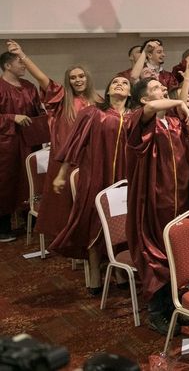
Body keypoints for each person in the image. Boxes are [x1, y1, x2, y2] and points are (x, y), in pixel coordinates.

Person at [5, 42, 98, 247]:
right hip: (66, 159)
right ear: (68, 81)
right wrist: (22, 55)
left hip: (90, 159)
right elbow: (42, 78)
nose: (78, 80)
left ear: (87, 78)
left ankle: (88, 236)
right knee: (65, 204)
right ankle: (69, 240)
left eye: (81, 76)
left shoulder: (96, 100)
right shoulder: (62, 98)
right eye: (73, 77)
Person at [49, 75, 133, 293]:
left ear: (131, 93)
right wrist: (62, 174)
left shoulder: (135, 116)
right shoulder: (93, 113)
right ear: (107, 91)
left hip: (125, 177)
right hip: (97, 175)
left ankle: (119, 270)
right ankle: (95, 273)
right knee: (94, 222)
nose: (119, 84)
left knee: (122, 221)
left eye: (125, 83)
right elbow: (75, 143)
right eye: (115, 82)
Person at [126, 76, 189, 335]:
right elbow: (152, 108)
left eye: (163, 87)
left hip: (178, 196)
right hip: (152, 198)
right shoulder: (138, 119)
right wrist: (179, 101)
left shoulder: (173, 122)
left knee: (177, 250)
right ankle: (157, 312)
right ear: (144, 98)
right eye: (156, 88)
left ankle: (176, 306)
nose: (163, 89)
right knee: (155, 253)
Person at [0, 46, 43, 242]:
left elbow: (38, 111)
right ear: (7, 65)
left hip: (29, 143)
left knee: (30, 180)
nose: (24, 65)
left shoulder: (29, 86)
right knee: (6, 182)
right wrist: (12, 117)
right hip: (6, 144)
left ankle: (31, 220)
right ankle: (3, 226)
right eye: (20, 62)